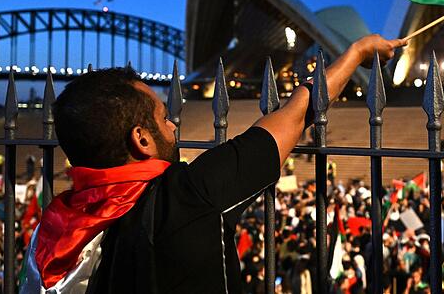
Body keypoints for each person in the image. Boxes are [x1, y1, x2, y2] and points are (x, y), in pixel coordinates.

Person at [21, 34, 405, 292]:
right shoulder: (190, 196)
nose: (173, 125)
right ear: (141, 139)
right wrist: (356, 53)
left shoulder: (53, 231)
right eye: (163, 118)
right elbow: (294, 114)